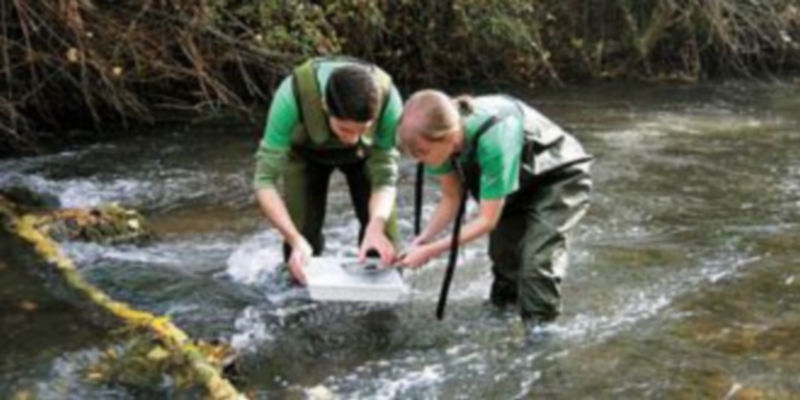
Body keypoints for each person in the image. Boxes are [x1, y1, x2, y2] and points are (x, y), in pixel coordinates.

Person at [396, 90, 593, 325]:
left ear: (446, 136)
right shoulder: (436, 147)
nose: (421, 161)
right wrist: (423, 240)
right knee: (505, 262)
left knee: (535, 267)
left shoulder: (494, 139)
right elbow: (452, 197)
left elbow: (487, 221)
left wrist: (432, 251)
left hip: (559, 177)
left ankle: (540, 339)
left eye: (423, 154)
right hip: (515, 184)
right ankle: (501, 320)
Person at [253, 57, 402, 284]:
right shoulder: (291, 96)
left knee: (384, 241)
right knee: (302, 245)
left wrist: (375, 227)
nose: (352, 139)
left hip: (365, 157)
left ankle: (380, 314)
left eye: (363, 129)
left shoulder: (390, 100)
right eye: (344, 129)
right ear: (324, 105)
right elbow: (264, 181)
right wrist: (294, 239)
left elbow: (385, 178)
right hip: (306, 156)